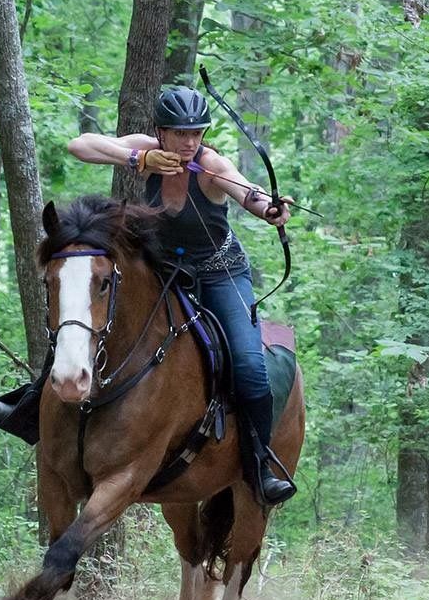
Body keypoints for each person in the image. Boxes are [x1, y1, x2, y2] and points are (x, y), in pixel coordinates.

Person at [66, 86, 295, 505]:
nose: (189, 142)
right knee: (82, 319)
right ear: (160, 132)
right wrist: (139, 159)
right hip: (161, 271)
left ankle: (259, 467)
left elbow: (249, 192)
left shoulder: (211, 166)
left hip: (219, 274)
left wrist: (270, 209)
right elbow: (79, 144)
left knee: (248, 364)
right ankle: (33, 411)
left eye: (196, 133)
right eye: (179, 133)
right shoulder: (146, 152)